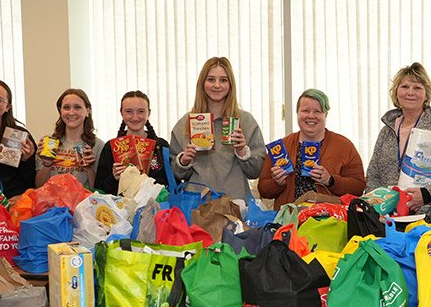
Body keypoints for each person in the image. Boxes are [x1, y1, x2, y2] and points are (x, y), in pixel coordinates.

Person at [365, 62, 431, 220]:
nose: (410, 92)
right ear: (396, 92)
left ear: (426, 95)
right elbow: (373, 174)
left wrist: (426, 195)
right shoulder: (386, 131)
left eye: (417, 88)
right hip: (387, 220)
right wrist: (377, 208)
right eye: (404, 87)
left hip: (429, 221)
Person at [169, 57, 265, 199]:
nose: (217, 85)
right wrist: (184, 161)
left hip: (236, 203)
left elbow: (256, 171)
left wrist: (243, 152)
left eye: (223, 80)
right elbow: (175, 173)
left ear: (231, 85)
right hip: (197, 204)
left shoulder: (245, 121)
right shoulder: (186, 123)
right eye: (211, 79)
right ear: (202, 83)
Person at [257, 89, 366, 206]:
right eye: (305, 111)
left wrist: (331, 180)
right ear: (297, 113)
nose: (311, 116)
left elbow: (358, 188)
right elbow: (263, 190)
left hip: (330, 220)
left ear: (326, 115)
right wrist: (277, 183)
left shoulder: (344, 146)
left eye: (317, 111)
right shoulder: (281, 147)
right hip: (290, 220)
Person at [94, 90, 171, 195]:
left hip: (155, 208)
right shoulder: (111, 147)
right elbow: (99, 188)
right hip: (120, 208)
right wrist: (114, 177)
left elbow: (171, 183)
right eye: (129, 111)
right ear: (121, 113)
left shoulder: (161, 146)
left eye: (141, 111)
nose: (135, 117)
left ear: (149, 113)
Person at [36, 88, 103, 189]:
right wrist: (47, 165)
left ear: (87, 110)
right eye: (66, 107)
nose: (71, 112)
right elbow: (39, 187)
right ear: (60, 111)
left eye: (77, 107)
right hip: (52, 204)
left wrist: (89, 169)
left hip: (83, 204)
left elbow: (99, 191)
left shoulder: (98, 146)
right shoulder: (48, 143)